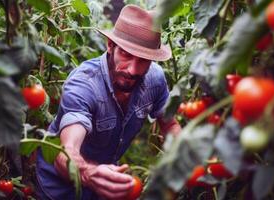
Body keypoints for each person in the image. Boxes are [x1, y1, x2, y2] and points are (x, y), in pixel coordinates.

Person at [35, 4, 181, 200]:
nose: (133, 70)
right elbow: (65, 151)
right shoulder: (83, 84)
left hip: (105, 182)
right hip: (58, 187)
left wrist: (187, 156)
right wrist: (87, 172)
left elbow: (169, 124)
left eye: (144, 60)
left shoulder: (155, 79)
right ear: (110, 46)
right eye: (127, 55)